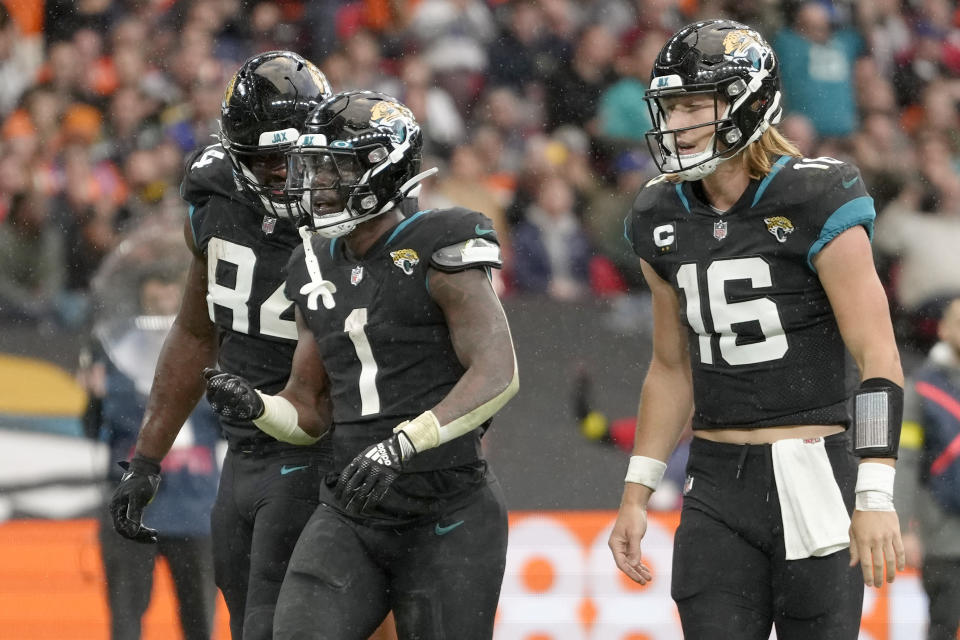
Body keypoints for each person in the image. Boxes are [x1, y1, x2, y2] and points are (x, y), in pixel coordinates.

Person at [607, 20, 905, 640]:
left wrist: (874, 491)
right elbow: (671, 367)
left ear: (748, 103)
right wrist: (637, 491)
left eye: (694, 105)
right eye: (670, 106)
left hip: (815, 472)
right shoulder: (661, 213)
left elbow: (877, 355)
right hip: (716, 480)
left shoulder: (816, 195)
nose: (677, 123)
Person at [203, 90, 518, 639]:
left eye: (335, 167)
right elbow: (310, 410)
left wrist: (404, 443)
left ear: (384, 169)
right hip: (351, 509)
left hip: (446, 508)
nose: (317, 182)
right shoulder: (311, 261)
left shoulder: (438, 243)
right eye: (315, 166)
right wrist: (260, 407)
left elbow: (498, 373)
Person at [106, 50, 334, 640]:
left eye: (294, 156)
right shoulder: (214, 200)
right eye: (265, 159)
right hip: (249, 458)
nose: (284, 173)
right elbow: (195, 331)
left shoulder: (359, 214)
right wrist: (148, 457)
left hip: (337, 451)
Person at [86, 255, 220, 640]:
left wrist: (113, 393)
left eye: (170, 286)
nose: (163, 295)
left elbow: (224, 423)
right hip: (135, 508)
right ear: (143, 294)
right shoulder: (114, 348)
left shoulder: (208, 349)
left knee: (199, 623)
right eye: (156, 286)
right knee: (128, 623)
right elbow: (94, 424)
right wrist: (98, 395)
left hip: (191, 507)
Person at [894, 297, 960, 640]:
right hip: (941, 534)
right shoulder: (920, 390)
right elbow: (905, 460)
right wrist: (905, 526)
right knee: (943, 624)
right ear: (944, 330)